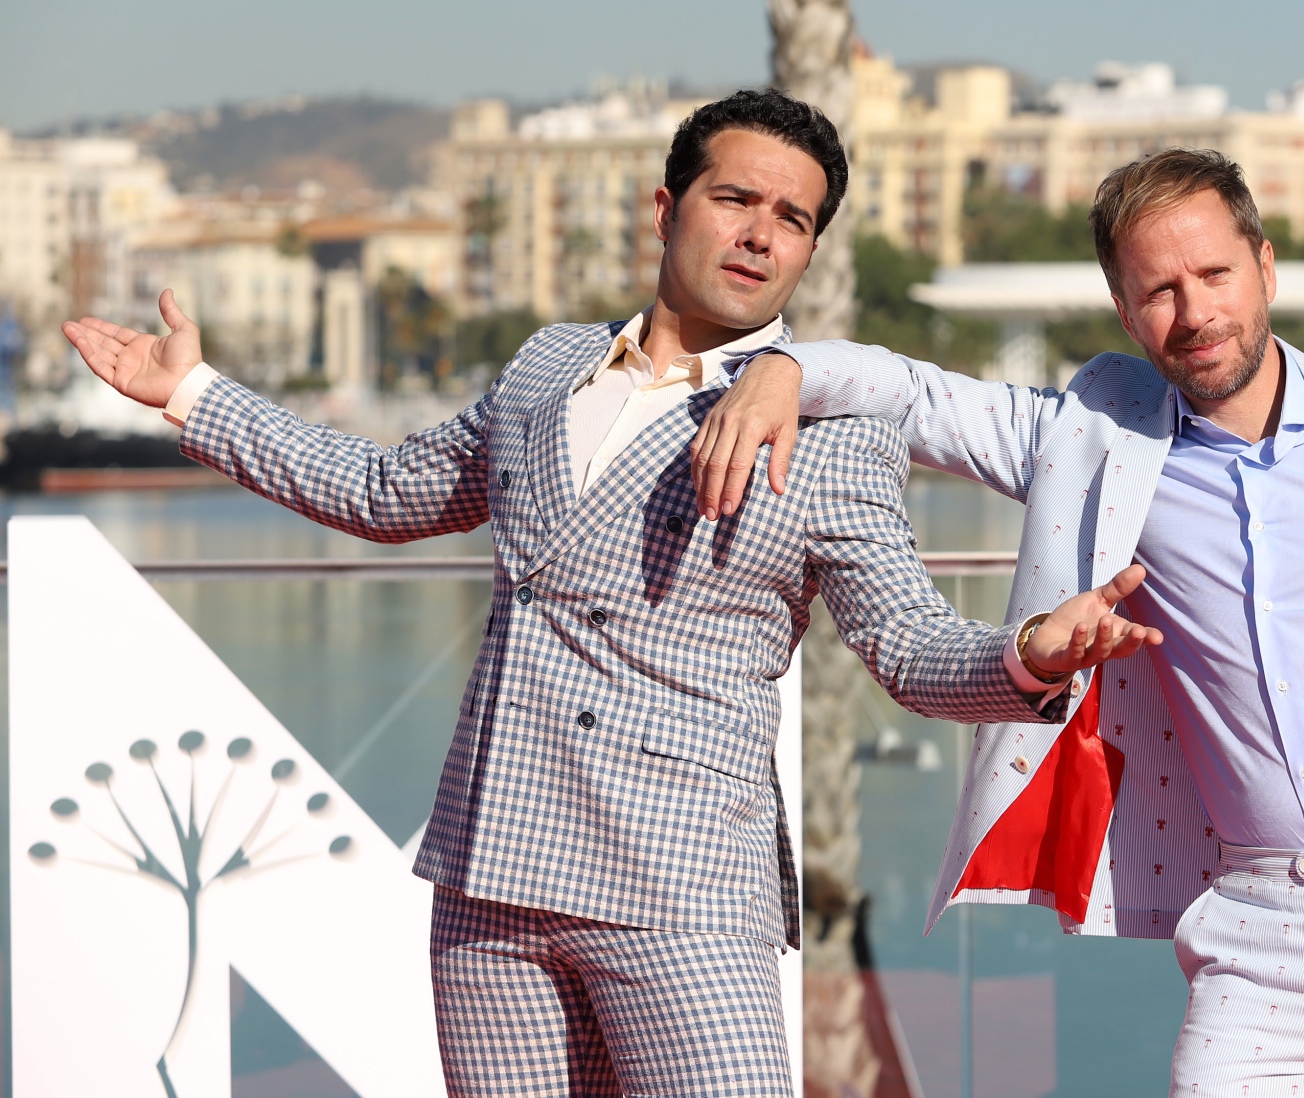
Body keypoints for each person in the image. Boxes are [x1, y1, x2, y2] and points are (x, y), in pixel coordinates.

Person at [61, 89, 1162, 1098]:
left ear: (809, 250)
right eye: (734, 199)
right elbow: (386, 492)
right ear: (665, 209)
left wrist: (1029, 651)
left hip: (683, 889)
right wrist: (192, 393)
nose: (760, 233)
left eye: (791, 218)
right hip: (491, 880)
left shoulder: (835, 432)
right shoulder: (547, 367)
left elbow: (908, 646)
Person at [690, 146, 1304, 1098]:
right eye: (1158, 290)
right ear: (1124, 311)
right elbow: (917, 394)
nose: (1195, 312)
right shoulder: (1095, 437)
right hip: (1254, 921)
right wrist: (785, 370)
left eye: (1214, 274)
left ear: (1265, 268)